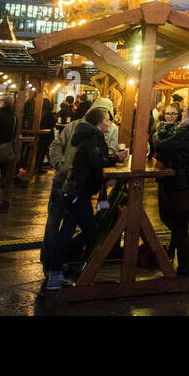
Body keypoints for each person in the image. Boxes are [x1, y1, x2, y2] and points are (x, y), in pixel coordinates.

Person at [45, 107, 123, 291]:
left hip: (74, 191)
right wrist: (116, 158)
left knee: (67, 230)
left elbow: (94, 160)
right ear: (98, 121)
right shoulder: (92, 137)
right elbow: (97, 161)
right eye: (106, 120)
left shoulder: (88, 134)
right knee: (91, 231)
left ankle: (56, 268)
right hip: (76, 193)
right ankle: (61, 263)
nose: (109, 124)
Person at [153, 101, 189, 275]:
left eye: (183, 111)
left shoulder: (187, 132)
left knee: (178, 225)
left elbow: (162, 145)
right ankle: (185, 263)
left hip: (182, 183)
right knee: (180, 224)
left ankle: (185, 267)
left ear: (188, 113)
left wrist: (156, 131)